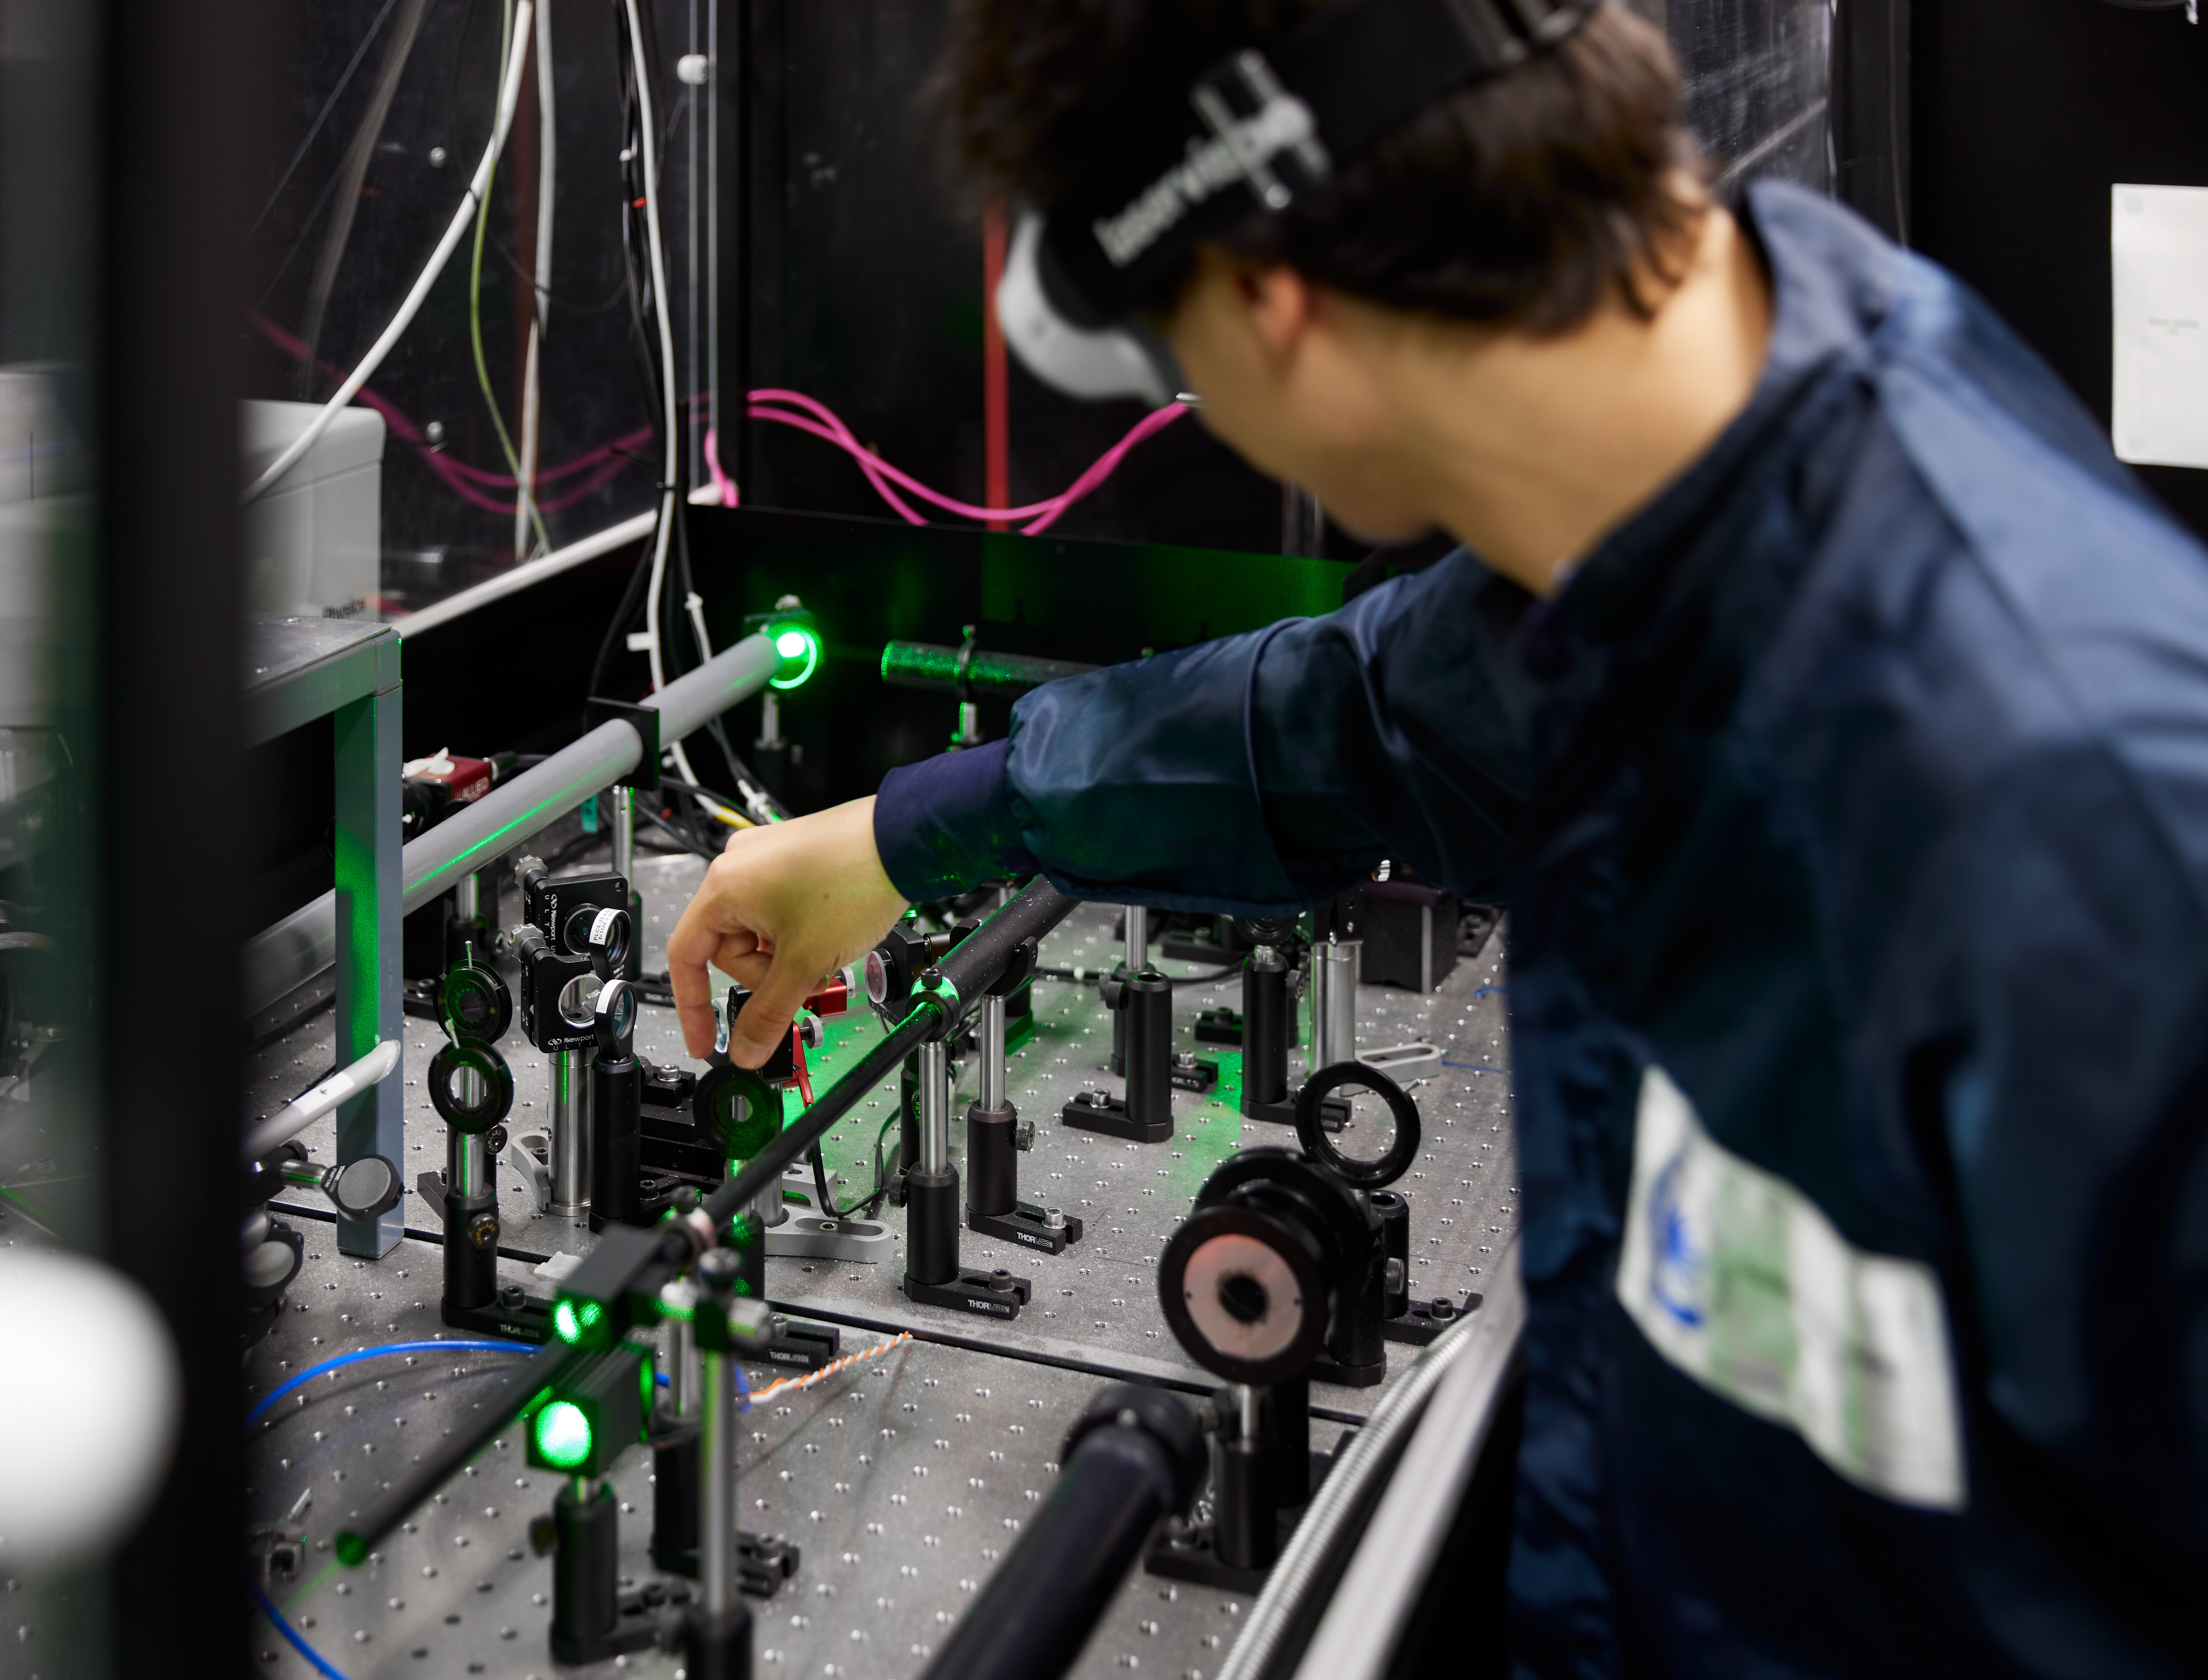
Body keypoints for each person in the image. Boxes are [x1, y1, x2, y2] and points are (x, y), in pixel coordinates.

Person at [666, 0, 2208, 1673]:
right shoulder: (1689, 488)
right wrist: (900, 838)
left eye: (1177, 363)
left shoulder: (2091, 837)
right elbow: (1336, 720)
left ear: (1274, 308)